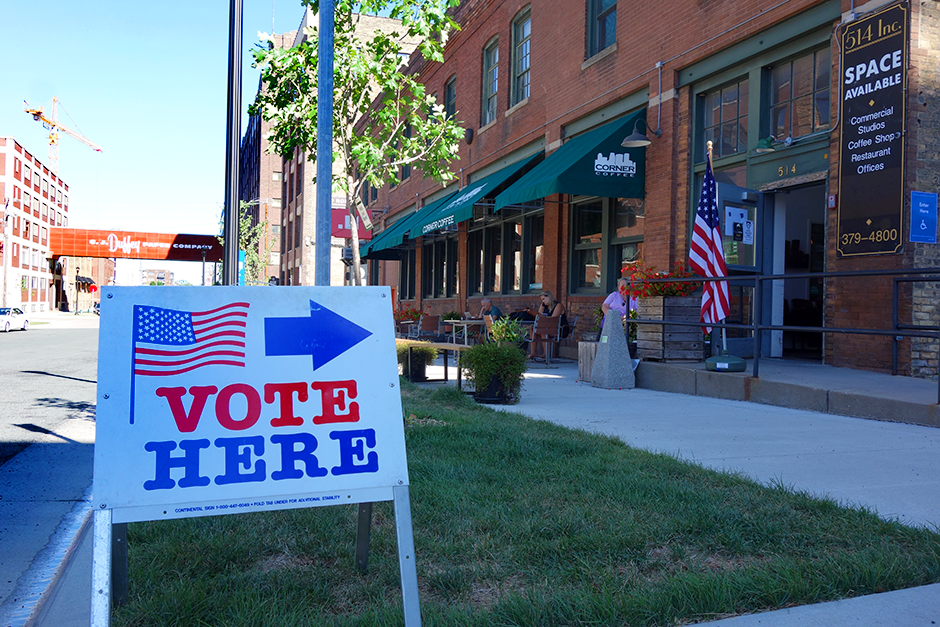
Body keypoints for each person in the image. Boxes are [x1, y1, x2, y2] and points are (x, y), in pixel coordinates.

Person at [527, 291, 566, 360]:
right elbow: (538, 317)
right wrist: (542, 306)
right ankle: (534, 351)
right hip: (548, 328)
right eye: (541, 300)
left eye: (544, 299)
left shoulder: (558, 305)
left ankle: (546, 353)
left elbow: (553, 320)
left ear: (549, 297)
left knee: (543, 331)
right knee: (533, 329)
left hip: (559, 329)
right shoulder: (544, 306)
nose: (543, 301)